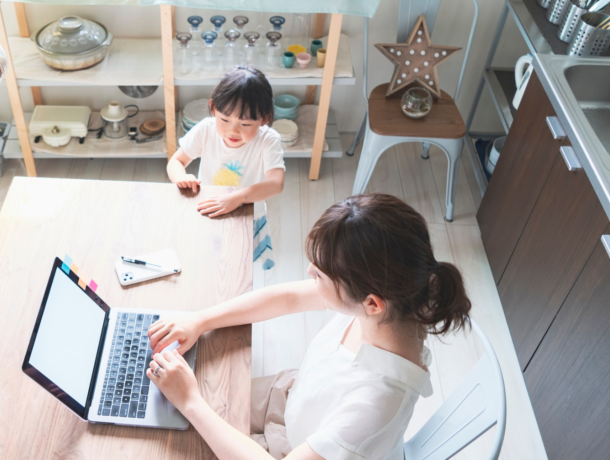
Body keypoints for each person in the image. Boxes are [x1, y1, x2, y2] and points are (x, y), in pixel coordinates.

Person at [145, 194, 473, 460]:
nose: (309, 273)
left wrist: (191, 401)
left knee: (178, 427)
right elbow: (287, 298)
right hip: (296, 398)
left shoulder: (376, 404)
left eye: (320, 274)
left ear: (372, 304)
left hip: (303, 444)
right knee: (184, 397)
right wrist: (201, 320)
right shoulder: (396, 300)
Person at [167, 65, 284, 268]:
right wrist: (181, 178)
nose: (233, 131)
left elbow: (276, 183)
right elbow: (176, 162)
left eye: (245, 124)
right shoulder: (206, 129)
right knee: (206, 259)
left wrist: (238, 198)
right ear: (213, 108)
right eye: (224, 119)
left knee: (240, 265)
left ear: (264, 119)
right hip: (208, 207)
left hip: (247, 212)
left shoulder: (268, 140)